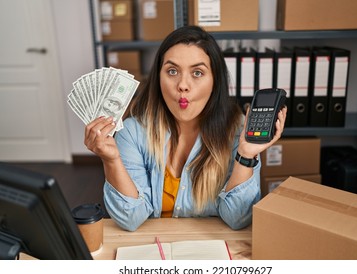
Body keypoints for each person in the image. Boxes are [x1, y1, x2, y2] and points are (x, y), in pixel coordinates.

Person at [84, 25, 287, 231]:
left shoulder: (240, 132)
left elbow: (238, 218)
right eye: (172, 71)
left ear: (215, 81)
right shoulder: (132, 132)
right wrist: (111, 160)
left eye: (197, 73)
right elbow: (130, 218)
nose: (183, 85)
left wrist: (246, 155)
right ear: (158, 78)